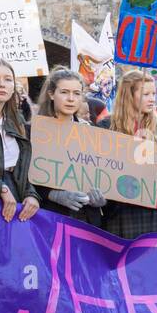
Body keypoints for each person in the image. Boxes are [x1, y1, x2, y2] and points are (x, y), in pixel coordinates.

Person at [100, 70, 157, 238]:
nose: (152, 98)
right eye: (146, 94)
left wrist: (152, 155)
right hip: (122, 209)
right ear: (128, 95)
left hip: (156, 209)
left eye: (154, 93)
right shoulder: (106, 127)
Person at [32, 68, 108, 226]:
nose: (71, 99)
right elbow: (24, 178)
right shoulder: (32, 131)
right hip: (49, 219)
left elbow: (105, 173)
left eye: (77, 93)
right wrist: (54, 194)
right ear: (51, 94)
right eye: (65, 92)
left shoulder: (92, 133)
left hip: (88, 221)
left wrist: (103, 197)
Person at [0, 57, 40, 224]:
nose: (2, 84)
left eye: (8, 79)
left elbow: (23, 169)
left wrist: (31, 194)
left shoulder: (17, 122)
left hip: (13, 206)